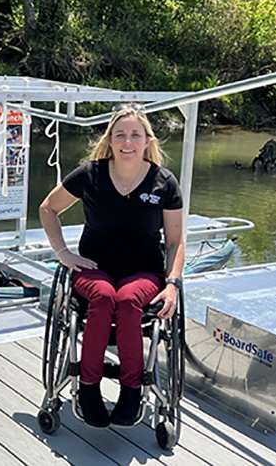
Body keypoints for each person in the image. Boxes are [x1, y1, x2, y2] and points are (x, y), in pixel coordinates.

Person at [39, 104, 185, 428]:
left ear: (147, 140)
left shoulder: (164, 182)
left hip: (144, 271)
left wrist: (172, 284)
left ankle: (131, 389)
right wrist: (63, 252)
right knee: (104, 296)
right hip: (93, 267)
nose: (127, 141)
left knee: (126, 300)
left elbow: (175, 242)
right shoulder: (90, 174)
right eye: (120, 134)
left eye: (135, 134)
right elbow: (48, 208)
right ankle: (88, 387)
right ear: (111, 139)